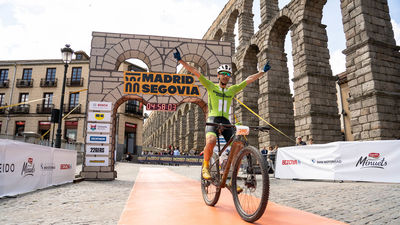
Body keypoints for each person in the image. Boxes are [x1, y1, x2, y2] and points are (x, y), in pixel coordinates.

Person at [174, 48, 271, 180]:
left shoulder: (232, 90)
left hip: (225, 121)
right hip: (213, 119)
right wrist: (181, 61)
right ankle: (206, 166)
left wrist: (261, 72)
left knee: (238, 146)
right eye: (223, 73)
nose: (225, 76)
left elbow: (248, 80)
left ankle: (230, 175)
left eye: (228, 74)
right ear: (218, 75)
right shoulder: (211, 86)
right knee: (212, 140)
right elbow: (195, 72)